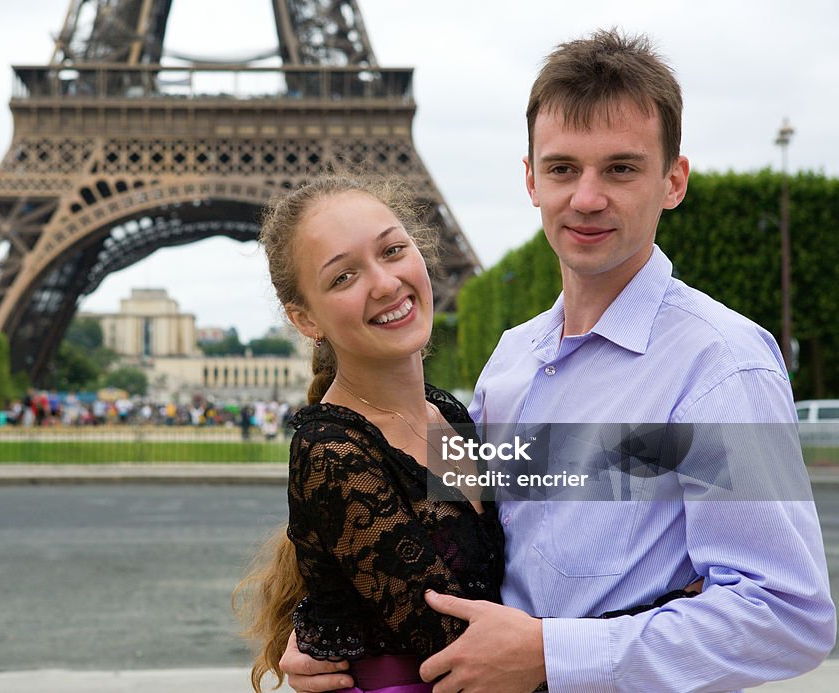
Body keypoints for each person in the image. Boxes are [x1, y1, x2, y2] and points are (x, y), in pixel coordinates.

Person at [280, 29, 834, 693]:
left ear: (673, 181)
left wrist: (554, 653)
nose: (588, 197)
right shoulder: (508, 366)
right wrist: (335, 633)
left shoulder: (721, 366)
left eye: (621, 168)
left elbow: (789, 615)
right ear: (531, 179)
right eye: (564, 168)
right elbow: (432, 538)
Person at [235, 174, 505, 693]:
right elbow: (464, 653)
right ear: (304, 318)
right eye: (343, 277)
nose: (384, 283)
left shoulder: (449, 413)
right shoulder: (331, 453)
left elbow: (625, 468)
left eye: (393, 250)